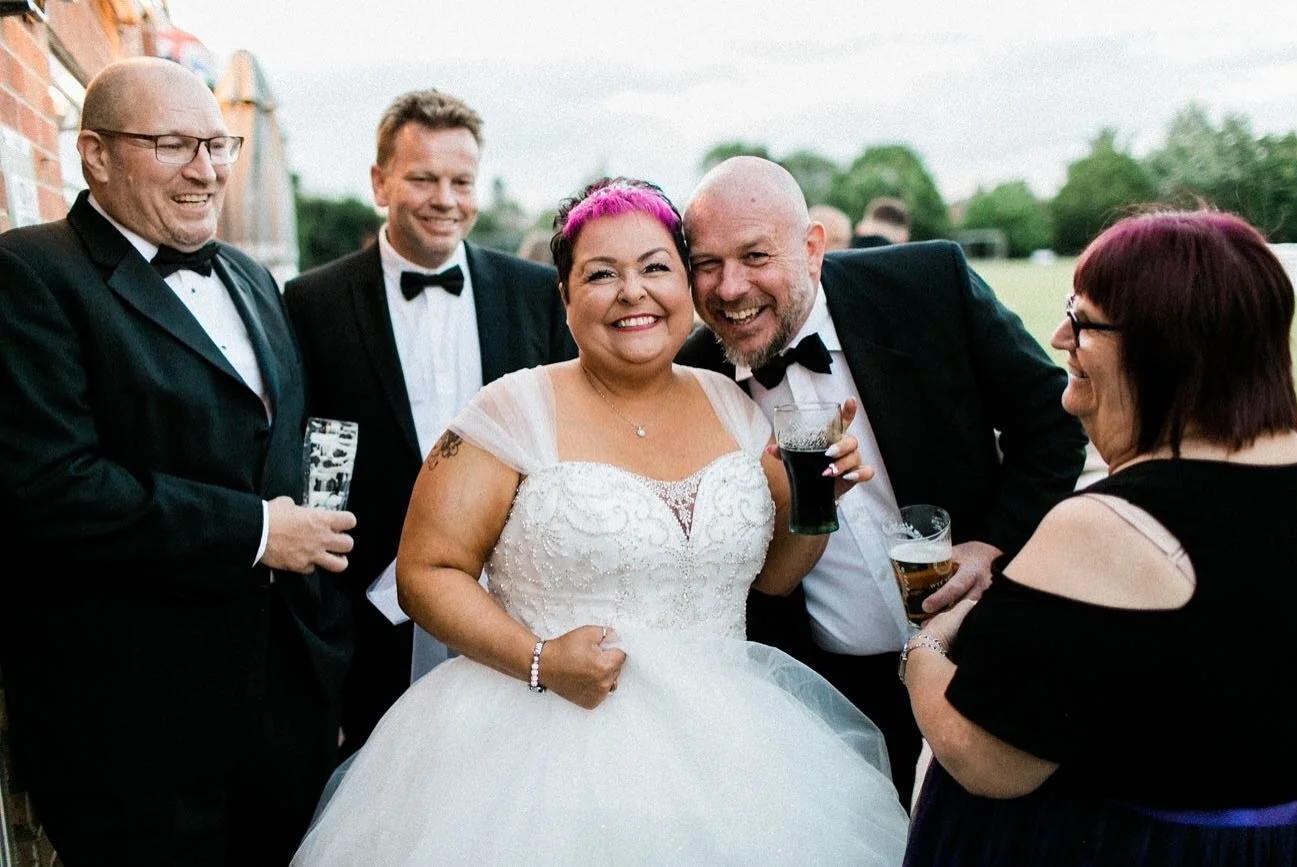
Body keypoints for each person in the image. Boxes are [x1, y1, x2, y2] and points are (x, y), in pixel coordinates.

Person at [290, 178, 910, 864]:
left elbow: (773, 580)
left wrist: (816, 504)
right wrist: (539, 659)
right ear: (564, 296)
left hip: (729, 752)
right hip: (538, 759)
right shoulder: (508, 413)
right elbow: (426, 572)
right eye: (602, 274)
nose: (632, 292)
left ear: (686, 286)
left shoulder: (736, 406)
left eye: (655, 267)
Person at [0, 58, 355, 866]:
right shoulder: (29, 273)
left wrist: (319, 674)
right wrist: (256, 532)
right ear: (94, 154)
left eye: (217, 144)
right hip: (132, 734)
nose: (205, 170)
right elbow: (50, 489)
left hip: (281, 721)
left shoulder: (252, 276)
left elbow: (279, 458)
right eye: (171, 145)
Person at [677, 156, 1086, 804]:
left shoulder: (927, 283)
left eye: (755, 256)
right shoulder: (693, 376)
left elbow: (1053, 424)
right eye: (706, 263)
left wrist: (992, 543)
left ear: (812, 248)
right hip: (827, 691)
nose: (730, 287)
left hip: (983, 644)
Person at [901, 209, 1297, 865]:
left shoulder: (1108, 525)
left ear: (1166, 348)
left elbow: (987, 758)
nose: (1059, 336)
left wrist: (925, 648)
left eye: (1083, 321)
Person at [283, 88, 576, 758]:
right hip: (370, 619)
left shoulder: (535, 293)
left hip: (515, 607)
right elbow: (305, 459)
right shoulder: (311, 302)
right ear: (380, 182)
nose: (445, 199)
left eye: (461, 182)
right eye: (423, 179)